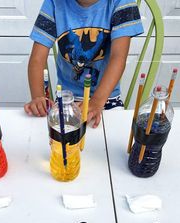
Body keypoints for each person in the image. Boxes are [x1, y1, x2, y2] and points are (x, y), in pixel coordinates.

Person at [24, 0, 143, 128]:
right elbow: (37, 58)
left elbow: (118, 57)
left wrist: (97, 101)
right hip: (67, 98)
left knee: (111, 138)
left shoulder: (121, 2)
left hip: (107, 98)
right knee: (52, 139)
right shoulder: (54, 2)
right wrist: (38, 97)